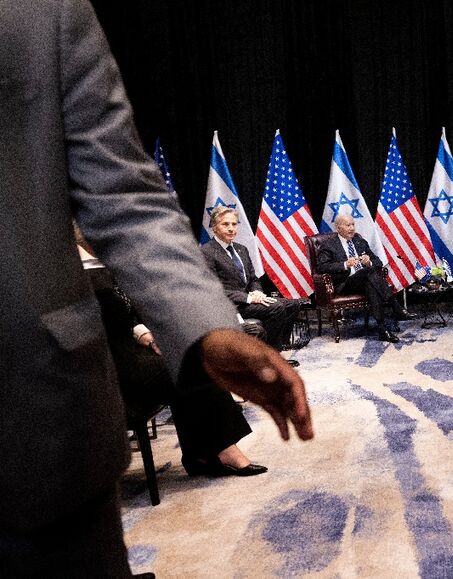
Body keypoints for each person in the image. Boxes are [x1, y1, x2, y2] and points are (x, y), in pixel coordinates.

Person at [0, 1, 313, 576]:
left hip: (34, 434)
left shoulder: (46, 14)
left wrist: (205, 325)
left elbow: (123, 196)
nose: (229, 229)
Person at [78, 237, 266, 477]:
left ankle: (200, 455)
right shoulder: (73, 270)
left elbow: (127, 313)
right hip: (109, 366)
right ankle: (223, 451)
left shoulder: (107, 264)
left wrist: (143, 332)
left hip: (133, 352)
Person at [201, 206, 302, 366]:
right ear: (214, 227)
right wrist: (248, 298)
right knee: (276, 308)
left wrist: (257, 292)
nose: (231, 229)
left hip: (249, 300)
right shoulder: (207, 252)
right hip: (231, 305)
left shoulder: (241, 249)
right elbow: (214, 288)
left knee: (293, 304)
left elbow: (253, 278)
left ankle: (274, 351)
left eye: (234, 224)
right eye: (225, 224)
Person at [315, 214, 415, 343]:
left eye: (353, 224)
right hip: (345, 283)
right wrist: (345, 264)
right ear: (338, 228)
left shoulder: (359, 241)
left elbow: (378, 262)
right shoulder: (329, 245)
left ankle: (382, 329)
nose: (352, 228)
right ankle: (396, 307)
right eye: (348, 225)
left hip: (364, 280)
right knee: (369, 274)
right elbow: (322, 267)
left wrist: (369, 262)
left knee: (369, 280)